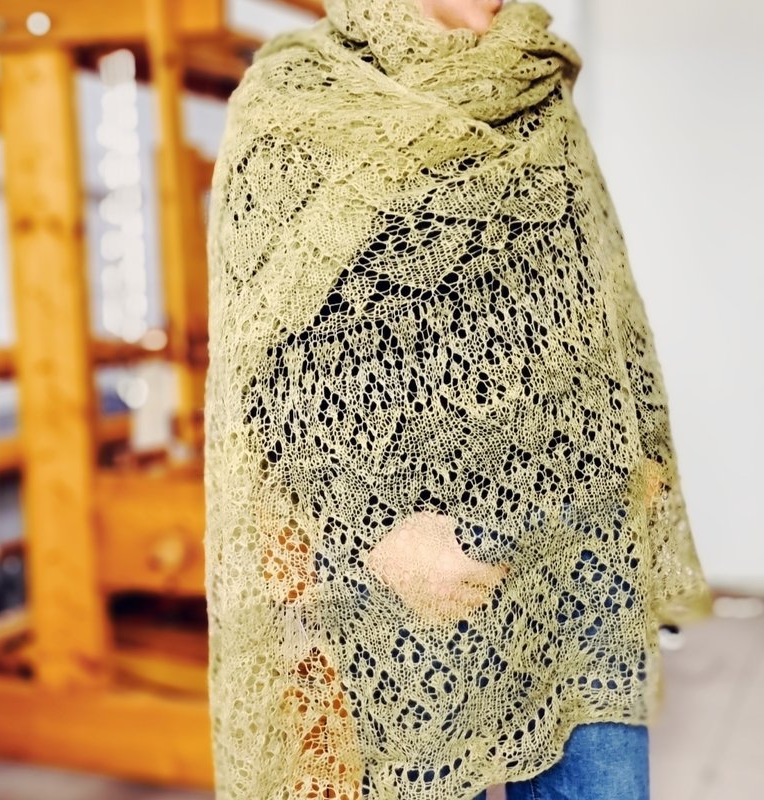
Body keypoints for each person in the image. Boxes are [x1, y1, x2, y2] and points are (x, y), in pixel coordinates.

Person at [202, 1, 713, 799]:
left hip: (583, 543)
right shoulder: (297, 97)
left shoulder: (536, 80)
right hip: (419, 556)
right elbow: (265, 365)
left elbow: (600, 297)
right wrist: (379, 534)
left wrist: (635, 455)